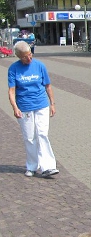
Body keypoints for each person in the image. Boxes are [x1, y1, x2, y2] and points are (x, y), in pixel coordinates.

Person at [8, 40, 59, 178]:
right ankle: (32, 165)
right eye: (25, 56)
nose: (29, 58)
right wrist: (15, 107)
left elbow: (48, 86)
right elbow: (12, 91)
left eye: (30, 54)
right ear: (19, 56)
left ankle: (48, 166)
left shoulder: (40, 66)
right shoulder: (14, 69)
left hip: (41, 104)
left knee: (42, 134)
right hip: (24, 107)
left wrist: (52, 103)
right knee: (30, 137)